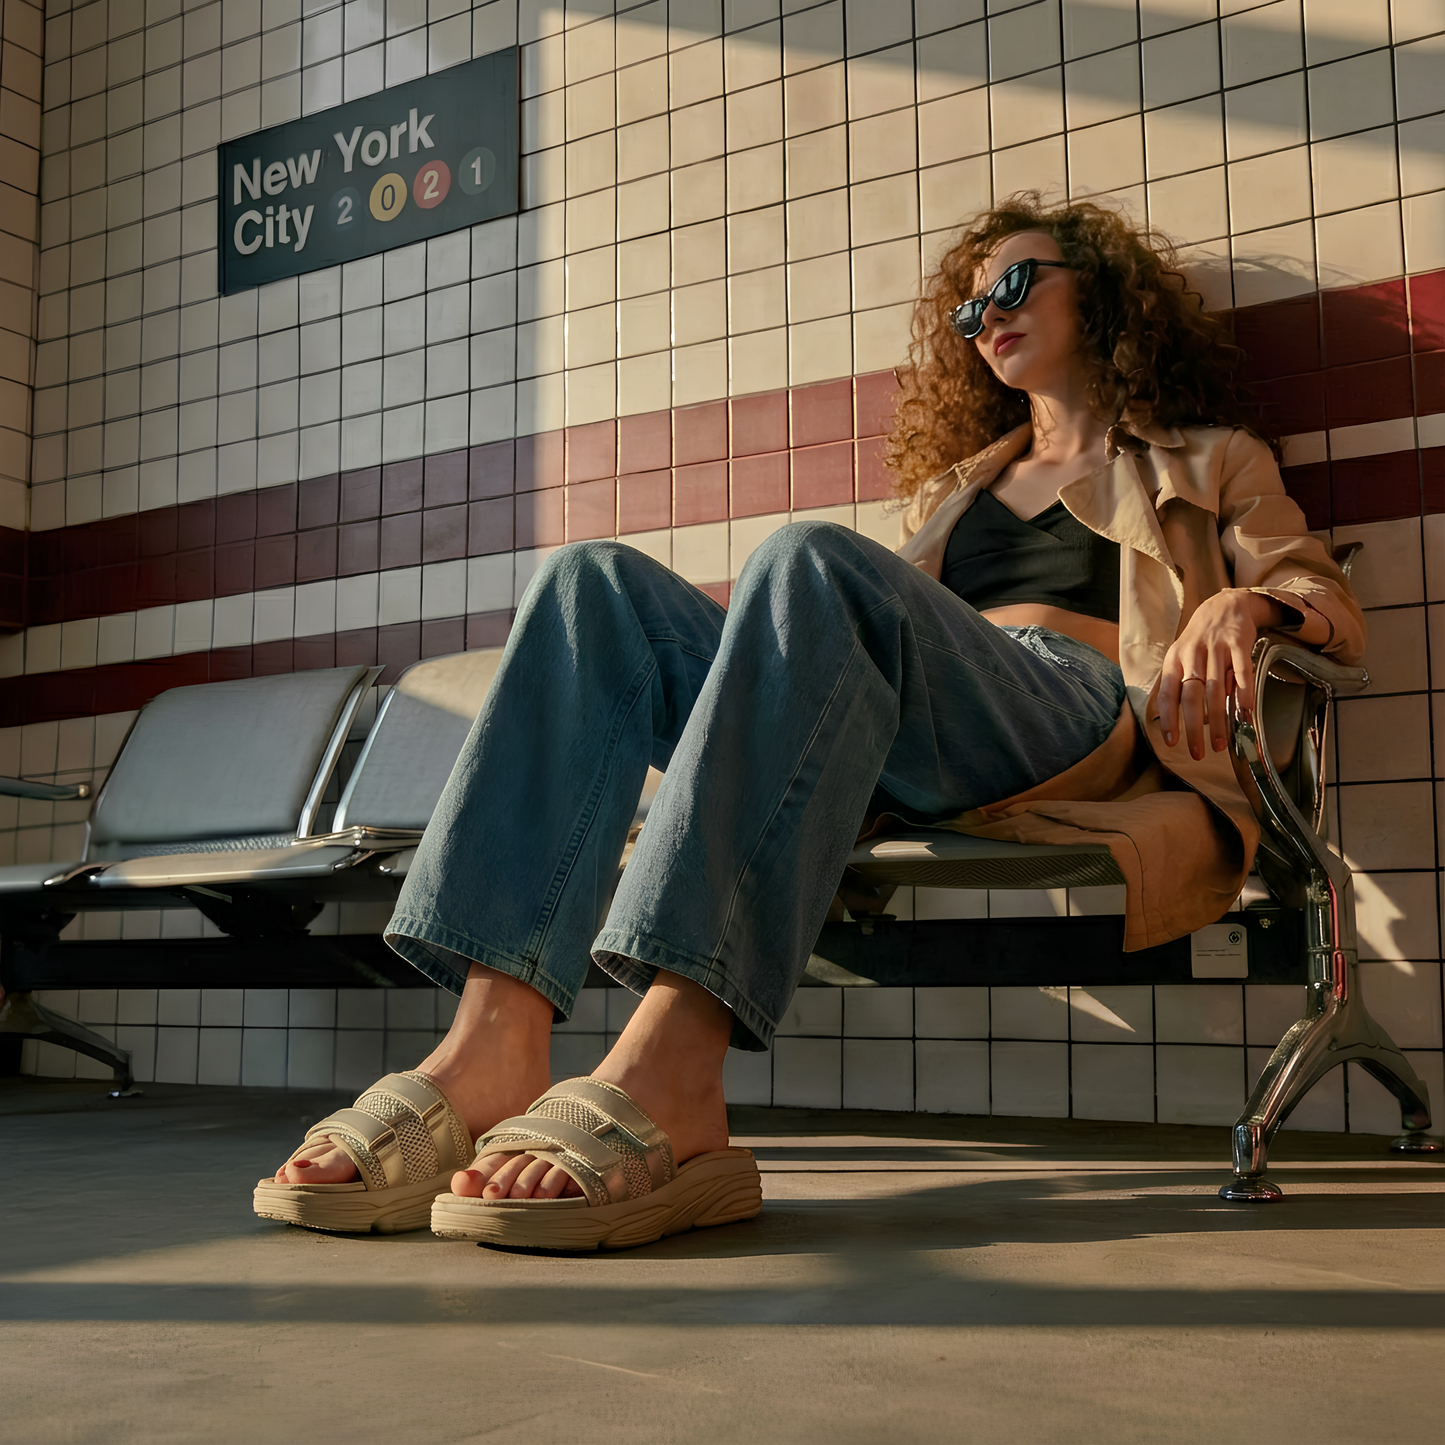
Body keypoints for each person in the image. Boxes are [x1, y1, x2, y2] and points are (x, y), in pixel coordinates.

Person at [254, 195, 1364, 1250]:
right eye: (969, 307)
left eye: (1015, 283)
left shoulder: (1204, 455)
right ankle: (489, 1047)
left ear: (1103, 291)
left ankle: (674, 1069)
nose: (988, 315)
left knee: (808, 558)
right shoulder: (956, 490)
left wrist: (1241, 602)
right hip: (911, 730)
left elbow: (1325, 602)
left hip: (1075, 716)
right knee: (589, 586)